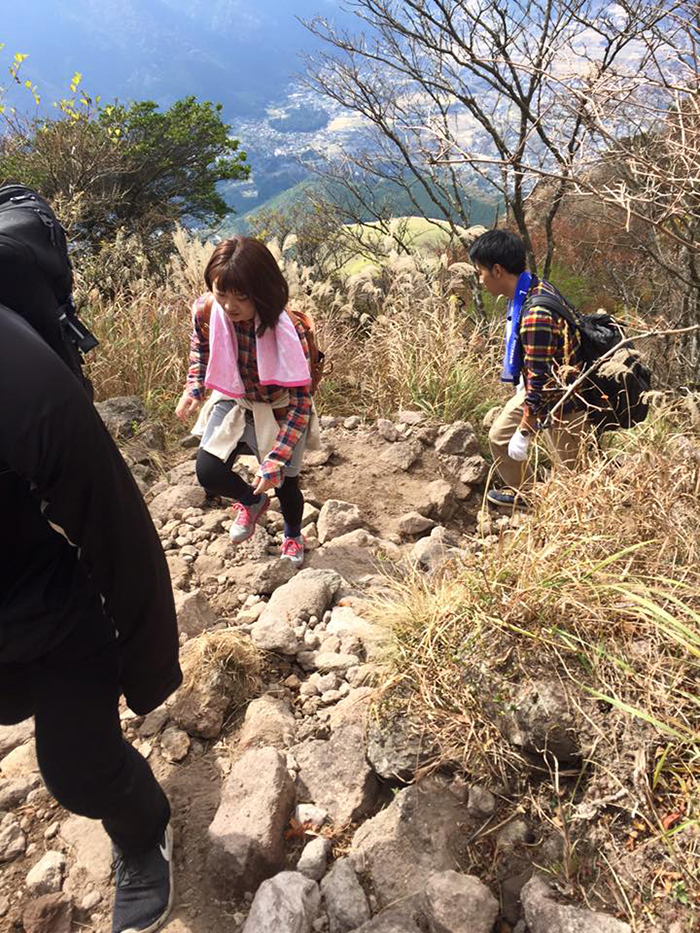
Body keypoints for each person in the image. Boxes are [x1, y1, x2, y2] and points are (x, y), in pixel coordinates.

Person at [0, 306, 181, 933]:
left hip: (57, 607)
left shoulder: (16, 372)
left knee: (78, 772)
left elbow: (113, 519)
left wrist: (149, 666)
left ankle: (144, 826)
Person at [175, 237, 320, 566]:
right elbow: (201, 348)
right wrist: (195, 387)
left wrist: (273, 462)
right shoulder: (207, 309)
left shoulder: (287, 331)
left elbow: (301, 405)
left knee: (284, 484)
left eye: (242, 296)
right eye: (221, 292)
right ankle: (251, 503)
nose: (229, 305)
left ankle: (293, 534)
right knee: (208, 470)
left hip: (280, 405)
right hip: (235, 395)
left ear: (263, 292)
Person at [469, 229, 588, 507]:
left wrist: (524, 431)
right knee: (499, 439)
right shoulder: (528, 288)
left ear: (497, 270)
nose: (480, 279)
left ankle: (567, 524)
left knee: (574, 481)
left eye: (480, 272)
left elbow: (542, 380)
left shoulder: (535, 313)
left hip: (564, 402)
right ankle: (533, 499)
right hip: (537, 390)